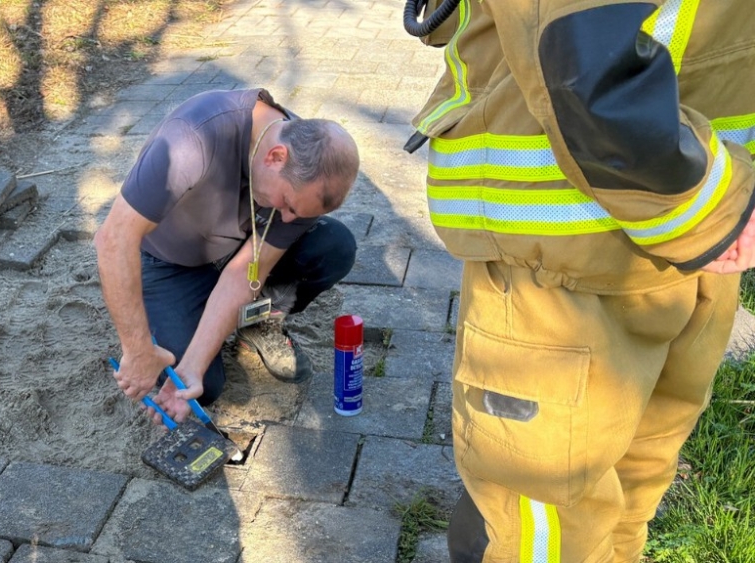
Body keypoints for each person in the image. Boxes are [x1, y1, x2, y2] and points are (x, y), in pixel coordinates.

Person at [408, 0, 755, 560]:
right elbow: (580, 59)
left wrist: (716, 208)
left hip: (639, 241)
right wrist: (714, 210)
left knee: (610, 506)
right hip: (616, 245)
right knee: (568, 520)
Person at [96, 88, 360, 421]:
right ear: (275, 157)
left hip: (232, 251)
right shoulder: (192, 139)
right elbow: (112, 241)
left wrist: (192, 366)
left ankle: (259, 323)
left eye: (297, 213)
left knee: (332, 245)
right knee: (204, 388)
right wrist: (137, 350)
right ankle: (174, 316)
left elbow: (247, 269)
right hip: (168, 261)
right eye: (289, 206)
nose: (289, 219)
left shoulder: (305, 175)